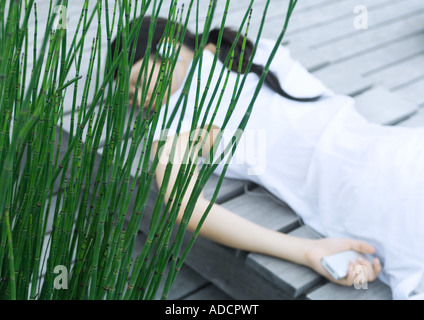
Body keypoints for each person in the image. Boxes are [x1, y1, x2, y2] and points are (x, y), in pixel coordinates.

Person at [111, 17, 424, 300]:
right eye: (130, 96)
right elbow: (186, 207)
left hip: (379, 193)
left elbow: (183, 205)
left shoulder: (178, 119)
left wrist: (306, 251)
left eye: (138, 81)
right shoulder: (254, 49)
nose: (139, 100)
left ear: (167, 48)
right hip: (394, 167)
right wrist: (308, 251)